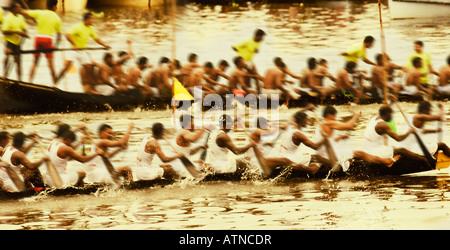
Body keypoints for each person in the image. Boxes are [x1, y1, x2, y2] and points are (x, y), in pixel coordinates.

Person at [314, 106, 398, 172]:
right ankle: (386, 161)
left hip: (327, 153)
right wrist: (356, 116)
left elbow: (330, 141)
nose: (335, 119)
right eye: (334, 117)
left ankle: (352, 162)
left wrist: (341, 137)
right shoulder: (327, 123)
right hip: (329, 156)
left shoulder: (321, 125)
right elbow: (349, 125)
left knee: (352, 151)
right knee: (360, 153)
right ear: (329, 115)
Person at [251, 111, 327, 175]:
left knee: (308, 155)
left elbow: (292, 118)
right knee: (286, 160)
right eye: (306, 120)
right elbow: (315, 146)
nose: (307, 122)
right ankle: (311, 169)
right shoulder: (298, 134)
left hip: (281, 155)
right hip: (286, 158)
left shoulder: (290, 127)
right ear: (302, 121)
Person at [56, 12, 111, 92]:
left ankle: (91, 88)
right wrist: (74, 45)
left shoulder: (90, 29)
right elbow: (67, 35)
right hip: (73, 50)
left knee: (89, 67)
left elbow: (97, 39)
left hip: (82, 51)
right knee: (66, 67)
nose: (93, 21)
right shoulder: (77, 27)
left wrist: (105, 45)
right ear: (86, 20)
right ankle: (55, 83)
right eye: (91, 19)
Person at [22, 0, 62, 84]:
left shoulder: (40, 13)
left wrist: (19, 10)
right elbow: (59, 36)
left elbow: (24, 12)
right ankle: (54, 84)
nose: (57, 7)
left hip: (38, 39)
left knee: (35, 62)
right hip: (48, 40)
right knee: (50, 64)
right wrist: (56, 46)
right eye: (57, 6)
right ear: (54, 6)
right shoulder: (57, 18)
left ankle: (30, 81)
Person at [2, 2, 29, 81]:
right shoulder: (8, 18)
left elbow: (24, 29)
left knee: (18, 61)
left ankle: (20, 80)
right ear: (14, 9)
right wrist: (16, 32)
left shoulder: (21, 17)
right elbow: (4, 31)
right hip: (9, 41)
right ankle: (4, 74)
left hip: (17, 42)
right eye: (18, 8)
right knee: (7, 53)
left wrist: (25, 33)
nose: (20, 9)